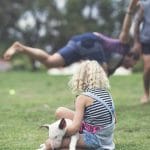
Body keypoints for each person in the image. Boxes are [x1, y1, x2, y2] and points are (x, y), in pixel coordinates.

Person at [3, 0, 139, 76]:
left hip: (79, 42)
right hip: (91, 41)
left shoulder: (114, 63)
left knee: (50, 62)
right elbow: (126, 29)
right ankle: (97, 106)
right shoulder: (124, 46)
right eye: (130, 65)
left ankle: (21, 48)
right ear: (130, 56)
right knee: (101, 74)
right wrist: (130, 9)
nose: (128, 68)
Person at [44, 60, 116, 150]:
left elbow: (74, 128)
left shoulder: (82, 98)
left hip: (93, 139)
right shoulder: (107, 94)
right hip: (106, 139)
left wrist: (58, 133)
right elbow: (114, 120)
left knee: (49, 144)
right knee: (60, 111)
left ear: (79, 77)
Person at [132, 0, 150, 104]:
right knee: (148, 67)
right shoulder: (145, 4)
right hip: (147, 40)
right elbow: (137, 22)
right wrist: (136, 42)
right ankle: (146, 93)